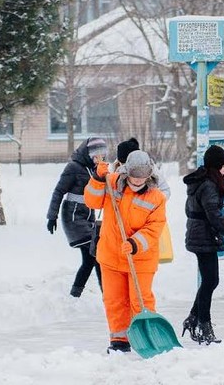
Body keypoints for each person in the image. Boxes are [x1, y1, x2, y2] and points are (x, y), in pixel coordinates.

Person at [84, 150, 167, 354]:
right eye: (134, 176)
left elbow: (155, 227)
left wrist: (135, 243)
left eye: (143, 177)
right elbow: (91, 202)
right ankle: (119, 340)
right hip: (111, 255)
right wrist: (96, 179)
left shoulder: (156, 197)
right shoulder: (111, 183)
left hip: (141, 258)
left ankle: (148, 336)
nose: (138, 181)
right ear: (125, 172)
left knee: (140, 300)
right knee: (114, 300)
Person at [182, 145, 224, 345]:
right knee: (211, 281)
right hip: (203, 237)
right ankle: (203, 326)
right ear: (215, 167)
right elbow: (214, 216)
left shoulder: (200, 182)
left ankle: (194, 319)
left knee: (210, 280)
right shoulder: (208, 185)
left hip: (200, 235)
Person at [46, 137, 108, 298]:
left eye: (102, 156)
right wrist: (52, 216)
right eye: (96, 156)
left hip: (88, 218)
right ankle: (107, 296)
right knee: (98, 255)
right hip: (74, 218)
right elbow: (58, 191)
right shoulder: (73, 167)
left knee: (89, 260)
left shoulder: (97, 169)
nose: (98, 159)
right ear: (88, 154)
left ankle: (75, 295)